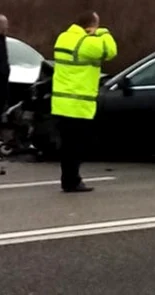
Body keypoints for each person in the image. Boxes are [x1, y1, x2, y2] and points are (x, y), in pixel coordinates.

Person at [51, 10, 117, 192]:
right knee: (76, 146)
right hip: (79, 104)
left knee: (67, 146)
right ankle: (73, 181)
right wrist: (103, 32)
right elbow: (110, 51)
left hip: (61, 103)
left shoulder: (63, 38)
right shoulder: (87, 42)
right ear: (90, 26)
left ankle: (67, 179)